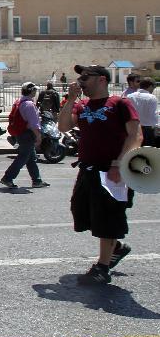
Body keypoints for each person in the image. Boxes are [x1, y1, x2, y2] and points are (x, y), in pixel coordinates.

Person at [59, 64, 142, 284]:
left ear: (102, 80)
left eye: (86, 77)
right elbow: (63, 126)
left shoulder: (120, 103)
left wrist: (118, 164)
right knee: (82, 211)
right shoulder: (82, 105)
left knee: (108, 216)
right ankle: (115, 247)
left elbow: (135, 136)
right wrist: (70, 100)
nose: (81, 81)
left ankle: (102, 267)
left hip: (112, 169)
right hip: (88, 168)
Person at [0, 82, 50, 190]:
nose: (36, 92)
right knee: (23, 157)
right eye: (35, 90)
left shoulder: (20, 102)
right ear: (31, 91)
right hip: (27, 134)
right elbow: (33, 123)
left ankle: (37, 180)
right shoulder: (29, 105)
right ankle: (7, 178)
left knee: (31, 158)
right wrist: (38, 136)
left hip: (21, 133)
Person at [126, 77, 158, 146]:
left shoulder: (129, 96)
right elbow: (153, 117)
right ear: (150, 86)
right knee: (147, 152)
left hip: (133, 129)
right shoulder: (152, 97)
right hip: (147, 130)